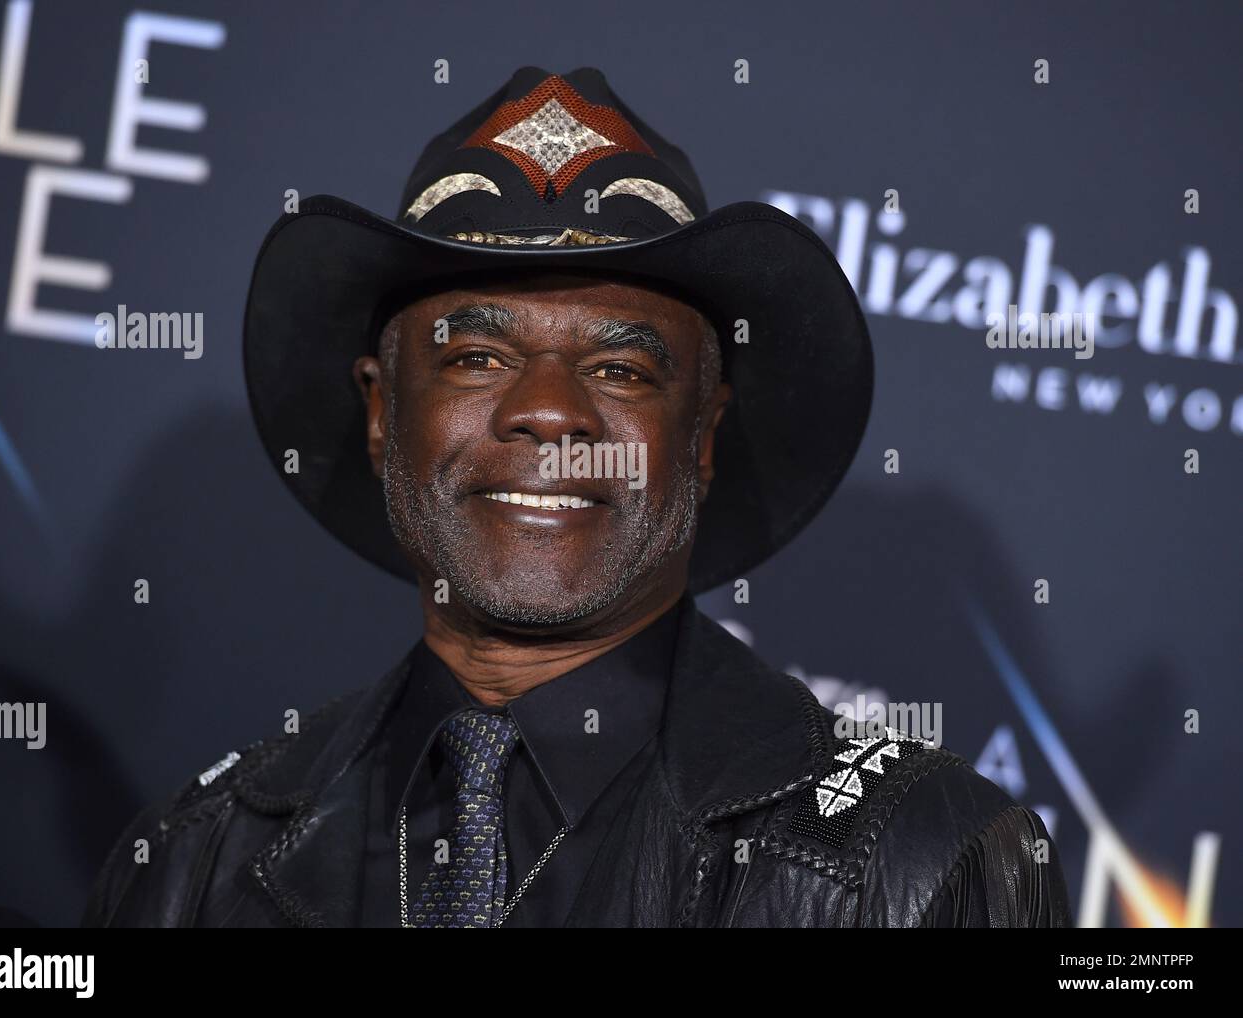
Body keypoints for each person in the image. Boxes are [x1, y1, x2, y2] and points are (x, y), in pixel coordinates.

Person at [83, 66, 1071, 927]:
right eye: (475, 355)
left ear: (703, 434)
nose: (549, 414)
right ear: (381, 413)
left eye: (623, 371)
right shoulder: (188, 861)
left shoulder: (920, 865)